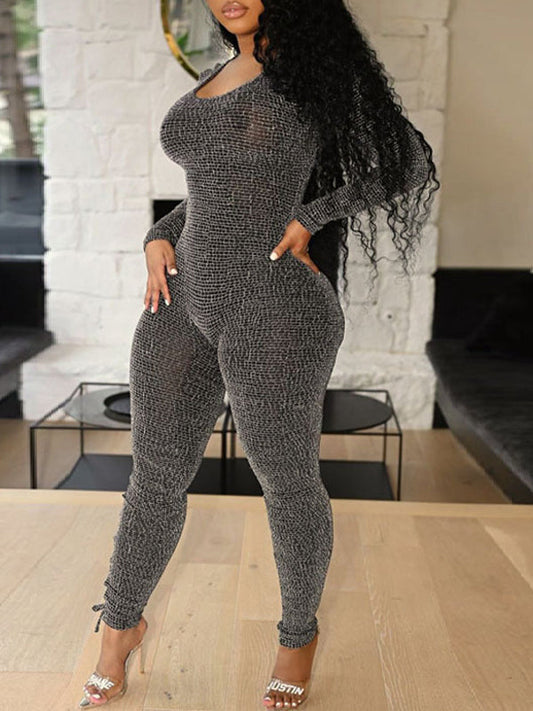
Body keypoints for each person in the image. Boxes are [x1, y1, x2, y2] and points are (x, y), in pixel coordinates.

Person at [79, 0, 439, 708]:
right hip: (178, 301)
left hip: (276, 307)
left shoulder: (314, 74)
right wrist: (159, 232)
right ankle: (119, 628)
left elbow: (408, 162)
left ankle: (296, 636)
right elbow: (218, 192)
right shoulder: (220, 73)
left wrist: (311, 216)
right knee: (153, 477)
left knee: (285, 479)